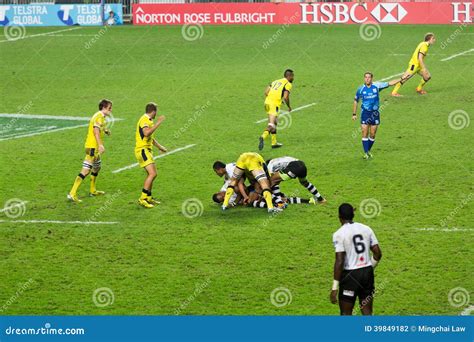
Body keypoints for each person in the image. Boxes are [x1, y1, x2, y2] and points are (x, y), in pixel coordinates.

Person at [330, 203, 382, 315]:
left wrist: (334, 287)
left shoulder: (339, 234)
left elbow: (339, 261)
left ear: (339, 216)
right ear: (353, 214)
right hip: (367, 273)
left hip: (350, 276)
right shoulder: (366, 229)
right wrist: (369, 267)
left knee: (346, 313)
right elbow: (378, 253)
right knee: (367, 312)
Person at [67, 99, 112, 203]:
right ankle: (72, 193)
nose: (111, 110)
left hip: (94, 147)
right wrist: (100, 145)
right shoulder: (99, 116)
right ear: (104, 108)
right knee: (86, 170)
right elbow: (95, 131)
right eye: (109, 108)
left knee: (97, 167)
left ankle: (92, 190)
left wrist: (105, 130)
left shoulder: (100, 116)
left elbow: (99, 126)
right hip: (92, 147)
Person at [353, 72, 405, 159]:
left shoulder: (377, 86)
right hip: (365, 113)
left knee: (372, 134)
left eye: (369, 77)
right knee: (364, 133)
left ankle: (368, 151)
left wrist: (401, 78)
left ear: (372, 78)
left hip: (375, 113)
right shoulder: (361, 89)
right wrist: (354, 114)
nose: (367, 79)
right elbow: (356, 101)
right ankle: (366, 153)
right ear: (364, 78)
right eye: (365, 77)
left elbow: (390, 83)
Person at [135, 102, 167, 208]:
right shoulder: (144, 120)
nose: (156, 114)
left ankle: (148, 197)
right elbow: (146, 133)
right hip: (142, 150)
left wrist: (160, 147)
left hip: (147, 150)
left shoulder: (149, 120)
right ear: (153, 111)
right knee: (152, 174)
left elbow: (150, 138)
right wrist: (158, 122)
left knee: (152, 174)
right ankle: (142, 198)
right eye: (156, 112)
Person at [258, 69, 294, 150]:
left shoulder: (275, 81)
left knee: (274, 122)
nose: (293, 78)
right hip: (274, 105)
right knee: (271, 124)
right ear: (289, 76)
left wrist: (275, 99)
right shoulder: (288, 84)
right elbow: (286, 97)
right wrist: (289, 106)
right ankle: (263, 137)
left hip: (267, 103)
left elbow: (266, 92)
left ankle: (274, 143)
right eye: (292, 76)